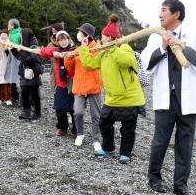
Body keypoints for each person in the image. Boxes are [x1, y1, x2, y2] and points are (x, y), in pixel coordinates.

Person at [141, 0, 196, 195]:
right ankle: (154, 179)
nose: (159, 15)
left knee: (185, 143)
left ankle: (181, 185)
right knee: (159, 141)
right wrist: (163, 48)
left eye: (163, 10)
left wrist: (184, 47)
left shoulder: (195, 35)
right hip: (165, 97)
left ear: (176, 14)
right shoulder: (155, 37)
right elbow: (146, 63)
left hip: (188, 99)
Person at [79, 15, 146, 163]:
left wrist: (113, 48)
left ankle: (126, 153)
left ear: (110, 38)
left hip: (130, 98)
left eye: (103, 37)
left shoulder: (125, 48)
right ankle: (108, 147)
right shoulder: (104, 52)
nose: (101, 40)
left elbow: (127, 61)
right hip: (112, 98)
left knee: (128, 129)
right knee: (104, 123)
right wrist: (84, 48)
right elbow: (89, 64)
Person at [64, 23, 104, 152]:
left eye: (81, 32)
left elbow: (93, 64)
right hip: (79, 85)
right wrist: (68, 58)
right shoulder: (77, 48)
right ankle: (80, 134)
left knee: (96, 115)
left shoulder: (98, 48)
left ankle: (97, 140)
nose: (78, 34)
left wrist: (85, 48)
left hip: (94, 85)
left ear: (87, 35)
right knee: (78, 112)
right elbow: (70, 69)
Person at [40, 30, 77, 137]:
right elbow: (44, 51)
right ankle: (63, 128)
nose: (63, 42)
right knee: (59, 108)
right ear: (57, 42)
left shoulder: (74, 50)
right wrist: (53, 53)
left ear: (69, 39)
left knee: (74, 109)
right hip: (60, 84)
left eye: (65, 39)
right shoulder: (56, 50)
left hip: (73, 83)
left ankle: (76, 130)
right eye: (60, 40)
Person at [10, 28, 44, 120]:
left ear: (25, 35)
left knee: (34, 94)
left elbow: (31, 59)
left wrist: (20, 50)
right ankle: (26, 111)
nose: (20, 36)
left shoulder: (34, 45)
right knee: (24, 92)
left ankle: (37, 112)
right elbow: (19, 57)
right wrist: (13, 49)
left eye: (21, 34)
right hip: (24, 72)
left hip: (33, 72)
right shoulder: (23, 43)